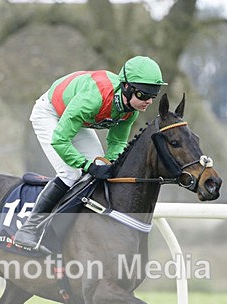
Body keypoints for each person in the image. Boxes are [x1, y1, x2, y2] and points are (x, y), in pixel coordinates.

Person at [13, 56, 168, 254]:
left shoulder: (132, 109)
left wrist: (109, 164)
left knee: (97, 171)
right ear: (126, 87)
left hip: (76, 119)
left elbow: (117, 142)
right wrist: (87, 165)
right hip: (51, 113)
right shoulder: (94, 99)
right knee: (71, 173)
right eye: (143, 95)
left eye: (153, 96)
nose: (149, 101)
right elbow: (60, 140)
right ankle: (29, 229)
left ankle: (80, 231)